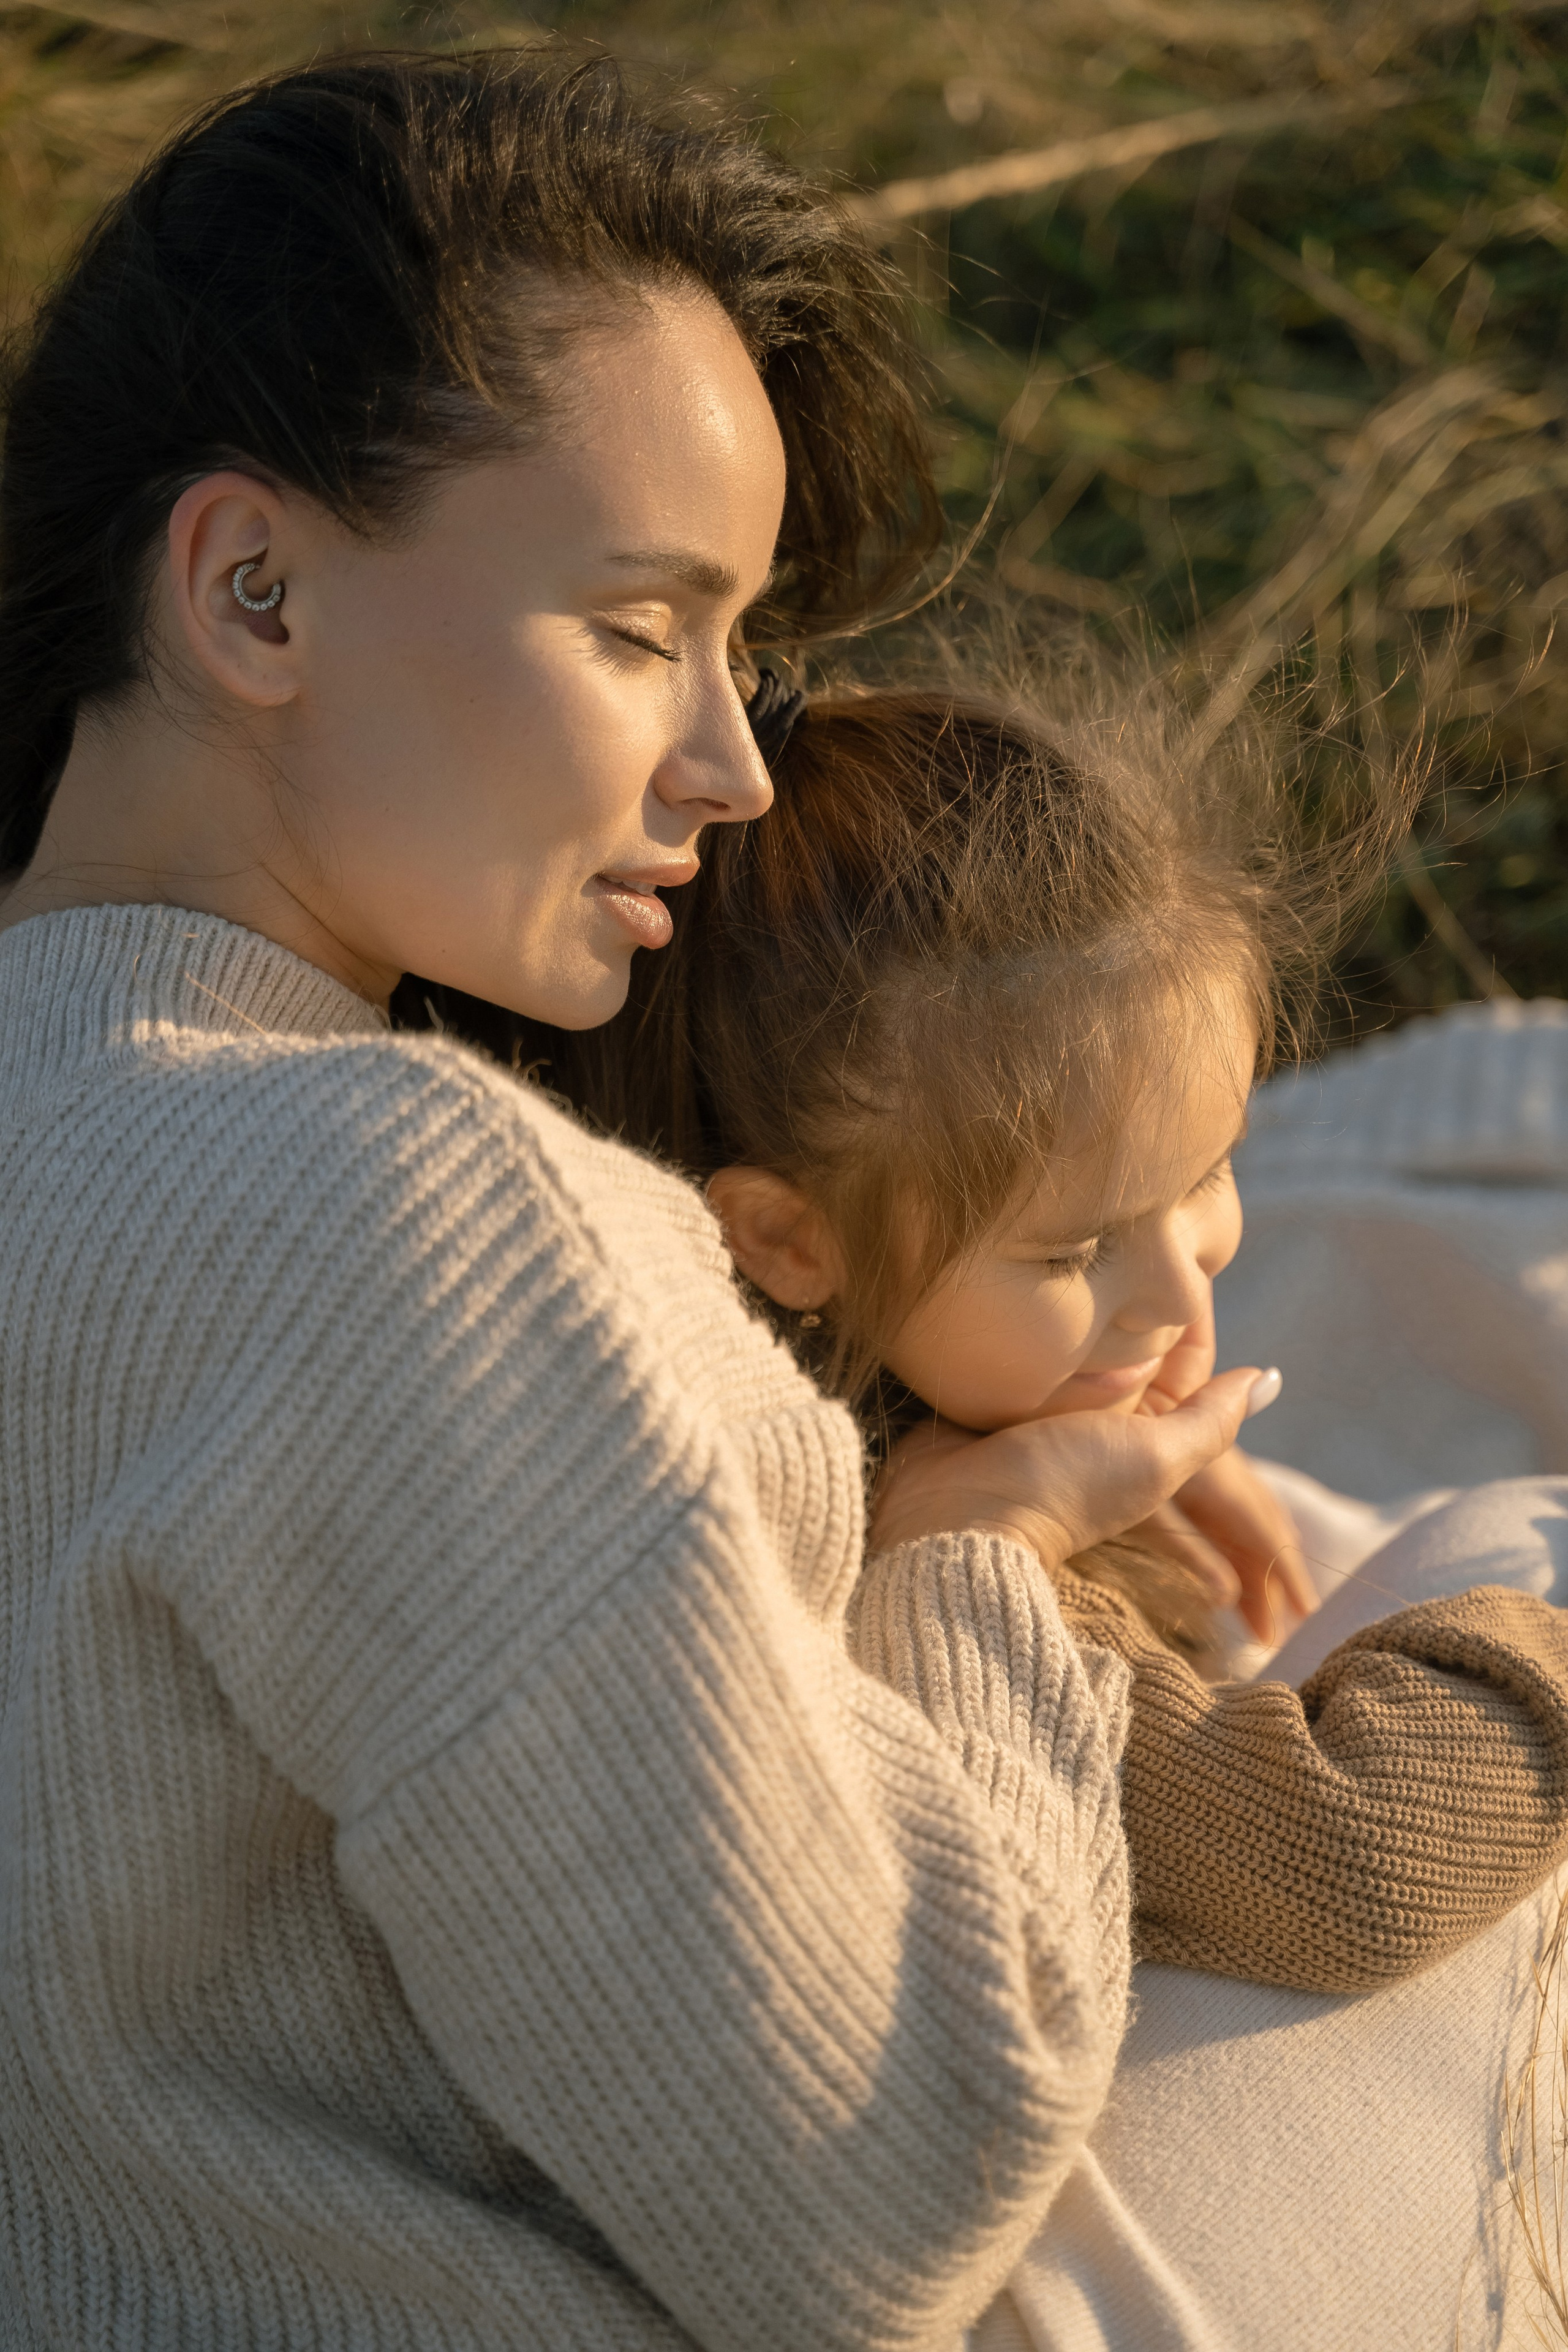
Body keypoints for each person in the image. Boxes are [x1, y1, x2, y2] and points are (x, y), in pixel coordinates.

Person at [0, 47, 1310, 2352]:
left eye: (741, 651)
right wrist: (980, 1556)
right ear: (253, 590)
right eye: (637, 630)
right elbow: (878, 2201)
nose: (729, 765)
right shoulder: (413, 1216)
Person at [490, 674, 1568, 1994]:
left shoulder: (933, 1377)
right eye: (1073, 1253)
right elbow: (1353, 1855)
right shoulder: (909, 1578)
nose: (1180, 1302)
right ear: (788, 1240)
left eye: (1208, 1173)